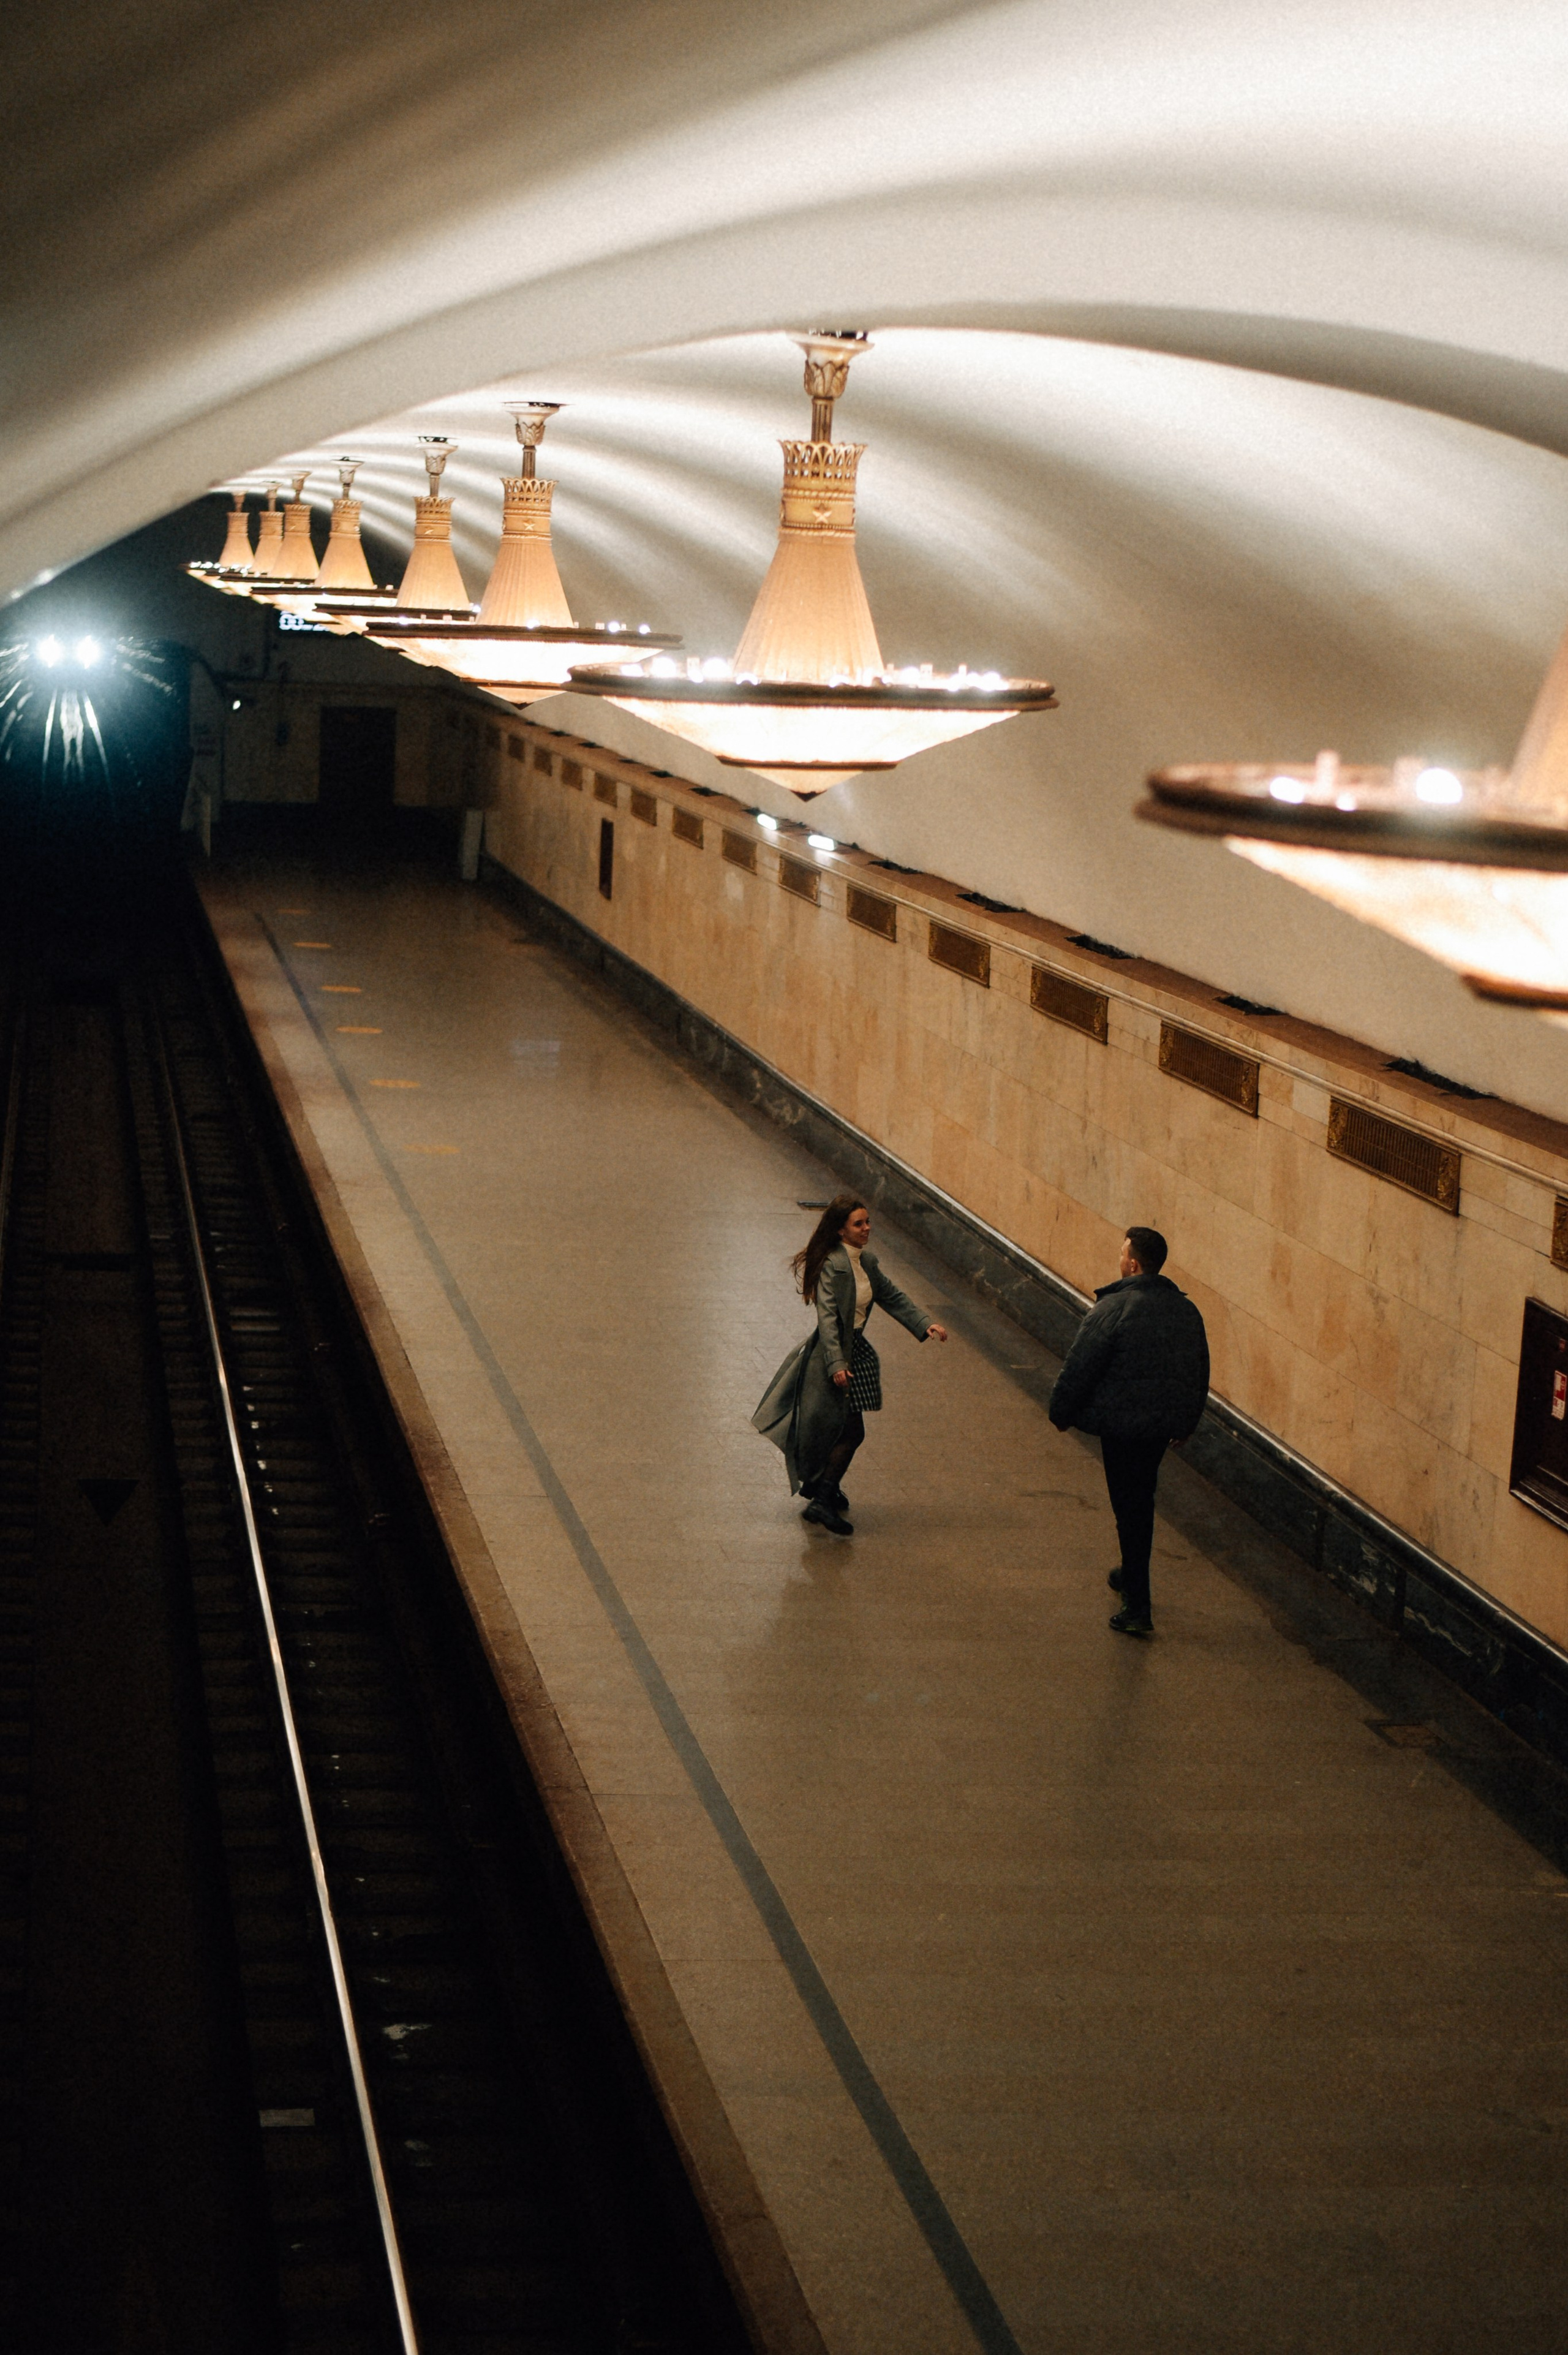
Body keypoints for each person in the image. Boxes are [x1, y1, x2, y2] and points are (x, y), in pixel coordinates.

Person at [752, 1192, 948, 1535]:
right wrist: (836, 1363)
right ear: (841, 1231)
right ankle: (822, 1500)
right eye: (859, 1224)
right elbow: (828, 1318)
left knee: (840, 1428)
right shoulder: (833, 1266)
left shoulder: (866, 1263)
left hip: (854, 1350)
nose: (867, 1228)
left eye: (868, 1222)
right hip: (835, 1355)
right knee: (849, 1430)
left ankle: (823, 1489)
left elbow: (891, 1295)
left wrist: (923, 1323)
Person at [1047, 1225, 1208, 1636]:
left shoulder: (1113, 1309)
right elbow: (1198, 1371)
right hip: (1158, 1429)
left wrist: (1061, 1412)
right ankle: (1129, 1570)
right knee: (1138, 1501)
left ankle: (1137, 1605)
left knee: (1131, 1509)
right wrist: (1186, 1421)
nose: (1120, 1260)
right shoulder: (1186, 1311)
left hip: (1121, 1428)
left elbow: (1081, 1366)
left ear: (1134, 1263)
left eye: (1123, 1254)